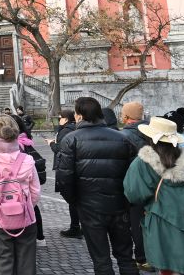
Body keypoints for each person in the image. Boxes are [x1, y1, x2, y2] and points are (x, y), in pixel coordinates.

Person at [57, 97, 138, 275]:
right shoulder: (123, 138)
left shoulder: (71, 140)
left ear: (79, 115)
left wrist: (75, 201)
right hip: (119, 205)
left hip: (89, 206)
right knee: (125, 256)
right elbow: (134, 177)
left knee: (101, 259)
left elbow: (64, 179)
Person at [124, 116, 184, 275]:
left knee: (168, 266)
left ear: (150, 137)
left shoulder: (143, 163)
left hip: (161, 221)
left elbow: (133, 194)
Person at [0, 115, 40, 275]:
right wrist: (25, 206)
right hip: (26, 217)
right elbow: (35, 191)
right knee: (27, 264)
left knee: (2, 262)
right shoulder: (27, 159)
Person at [118, 102, 153, 272]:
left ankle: (141, 258)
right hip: (152, 184)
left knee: (134, 223)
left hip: (131, 186)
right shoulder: (151, 132)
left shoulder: (123, 135)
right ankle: (150, 256)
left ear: (126, 116)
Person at [11, 114, 47, 248]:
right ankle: (40, 236)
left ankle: (32, 236)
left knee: (28, 207)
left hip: (21, 181)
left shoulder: (17, 144)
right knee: (33, 207)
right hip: (30, 179)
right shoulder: (25, 138)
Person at [46, 109, 81, 239]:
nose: (58, 120)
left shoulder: (65, 131)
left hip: (67, 168)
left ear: (66, 119)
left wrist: (51, 143)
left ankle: (75, 227)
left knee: (72, 200)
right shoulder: (76, 128)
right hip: (77, 167)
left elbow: (60, 149)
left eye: (60, 118)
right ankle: (78, 226)